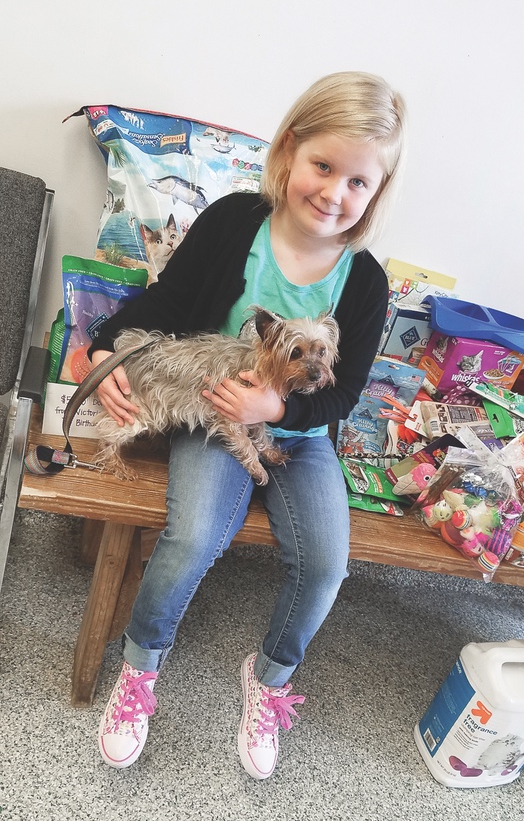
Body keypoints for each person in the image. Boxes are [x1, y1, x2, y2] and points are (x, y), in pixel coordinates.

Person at [90, 71, 407, 778]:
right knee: (195, 532)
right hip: (213, 418)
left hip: (300, 437)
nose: (334, 193)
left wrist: (281, 411)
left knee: (326, 565)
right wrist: (108, 344)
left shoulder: (365, 282)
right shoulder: (236, 221)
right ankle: (140, 667)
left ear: (376, 192)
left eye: (358, 182)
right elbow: (166, 301)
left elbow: (341, 395)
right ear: (290, 150)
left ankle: (268, 678)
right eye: (323, 166)